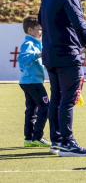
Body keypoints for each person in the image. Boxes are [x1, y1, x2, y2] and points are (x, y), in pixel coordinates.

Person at [38, 0, 86, 157]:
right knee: (69, 99)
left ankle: (56, 141)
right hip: (67, 55)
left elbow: (40, 21)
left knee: (57, 98)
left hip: (50, 55)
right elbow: (79, 22)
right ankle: (67, 143)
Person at [17, 15, 51, 148]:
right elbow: (22, 58)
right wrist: (38, 55)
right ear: (30, 30)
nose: (41, 31)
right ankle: (38, 137)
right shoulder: (29, 43)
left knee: (32, 109)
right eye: (39, 29)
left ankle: (29, 138)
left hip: (29, 81)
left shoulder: (36, 43)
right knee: (45, 106)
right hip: (32, 82)